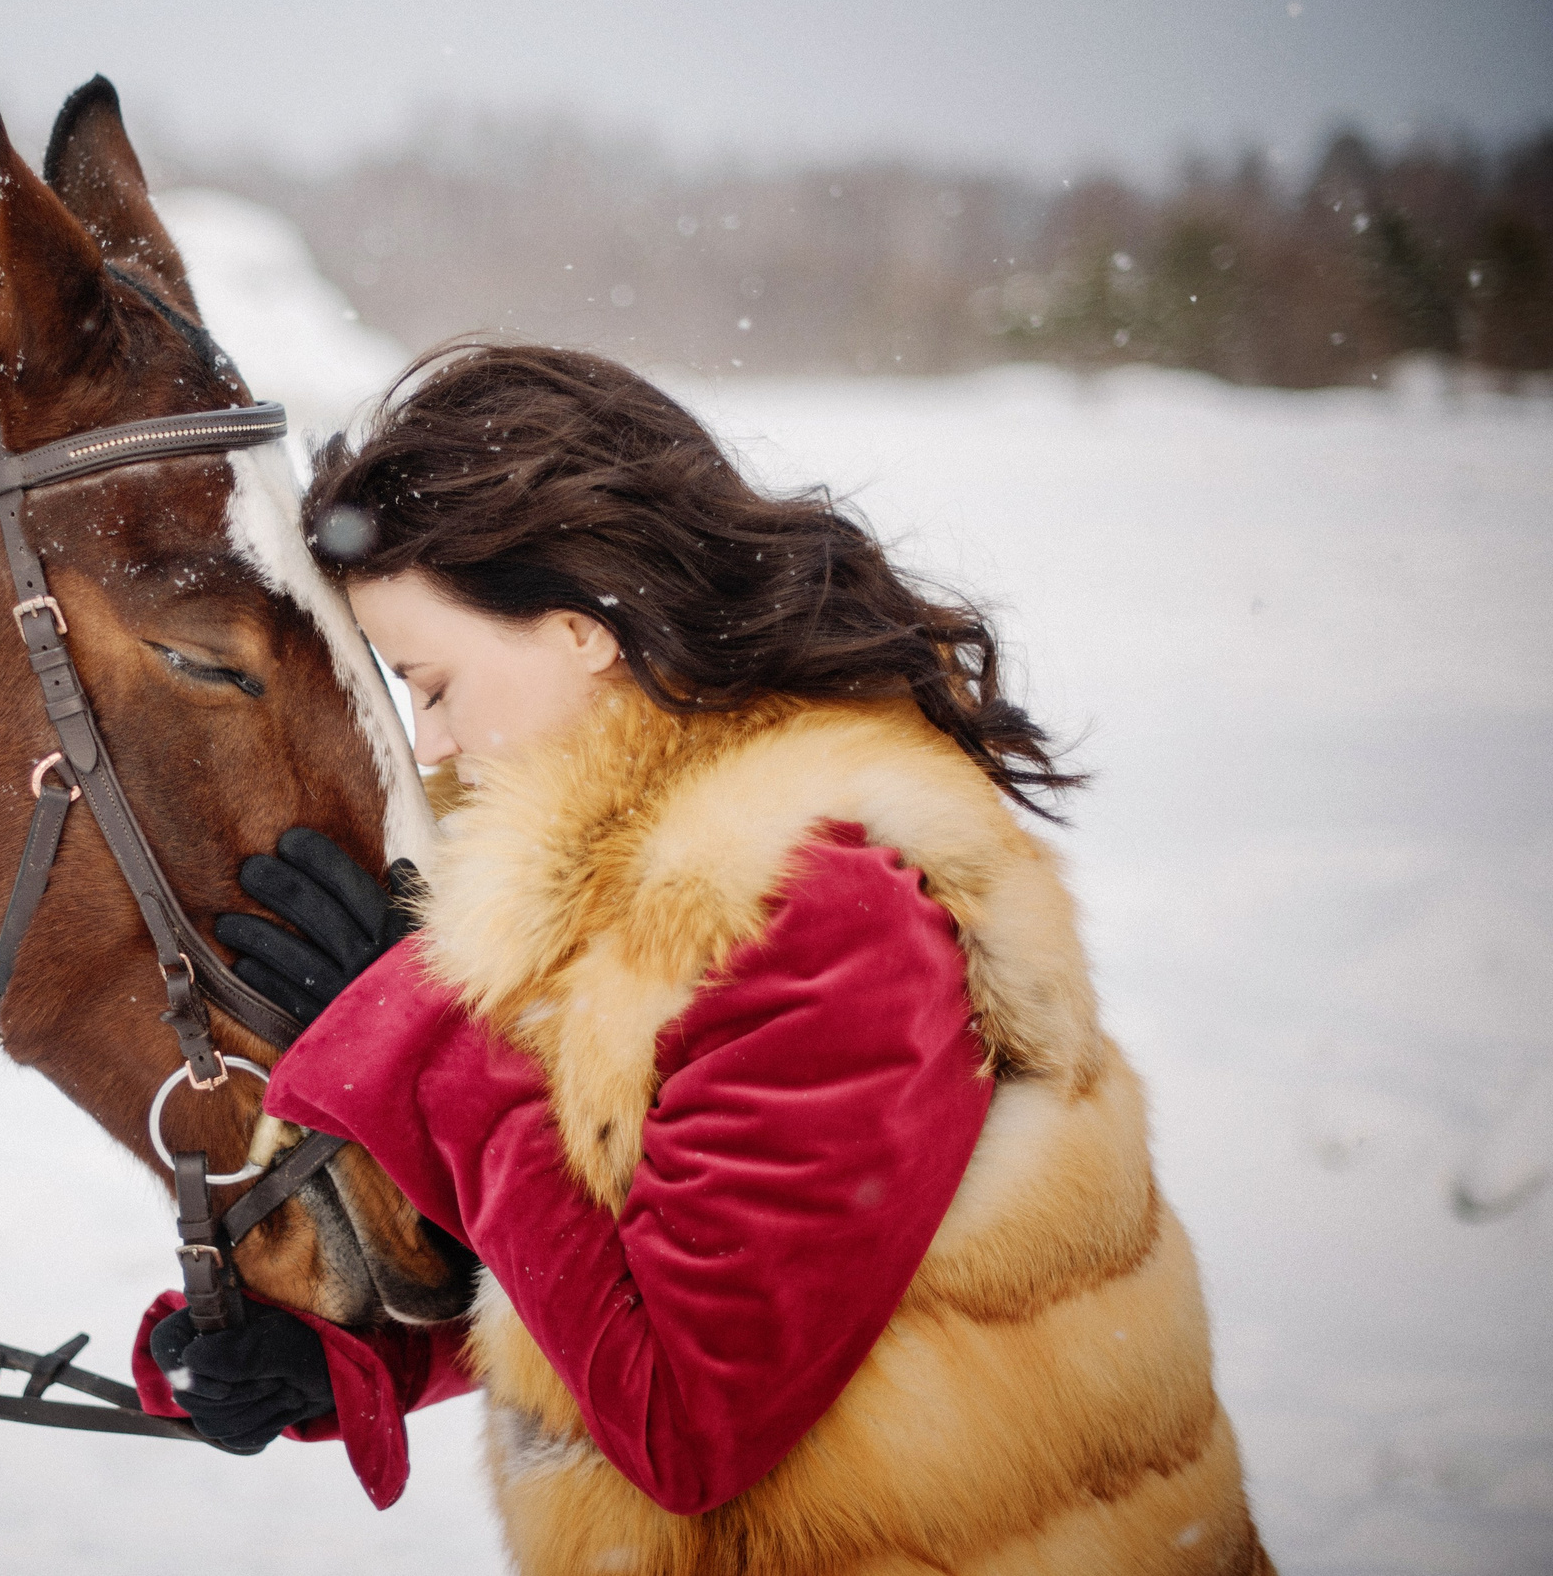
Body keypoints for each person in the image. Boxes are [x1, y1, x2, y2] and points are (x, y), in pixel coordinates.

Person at [133, 344, 1271, 1575]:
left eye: (435, 680)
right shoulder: (624, 863)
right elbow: (682, 1265)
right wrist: (354, 1362)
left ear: (578, 629)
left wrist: (416, 1034)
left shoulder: (814, 900)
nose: (436, 739)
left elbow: (692, 1412)